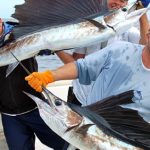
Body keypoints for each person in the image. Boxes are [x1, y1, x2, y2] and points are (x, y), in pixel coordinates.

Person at [0, 19, 66, 150]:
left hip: (37, 107)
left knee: (65, 145)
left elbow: (47, 49)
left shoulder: (22, 32)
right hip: (9, 115)